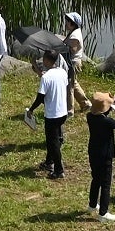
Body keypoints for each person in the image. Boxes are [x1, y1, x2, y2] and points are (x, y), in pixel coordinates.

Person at [84, 89, 115, 219]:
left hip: (93, 152)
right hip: (105, 155)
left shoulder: (90, 117)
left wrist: (110, 107)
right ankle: (103, 213)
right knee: (106, 184)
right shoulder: (106, 122)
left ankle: (92, 205)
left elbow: (101, 112)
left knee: (96, 179)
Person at [34, 50, 71, 179]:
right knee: (53, 139)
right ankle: (49, 162)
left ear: (47, 60)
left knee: (53, 143)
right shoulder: (62, 72)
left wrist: (31, 110)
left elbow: (40, 97)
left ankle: (58, 170)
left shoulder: (46, 77)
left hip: (52, 115)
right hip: (63, 112)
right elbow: (65, 88)